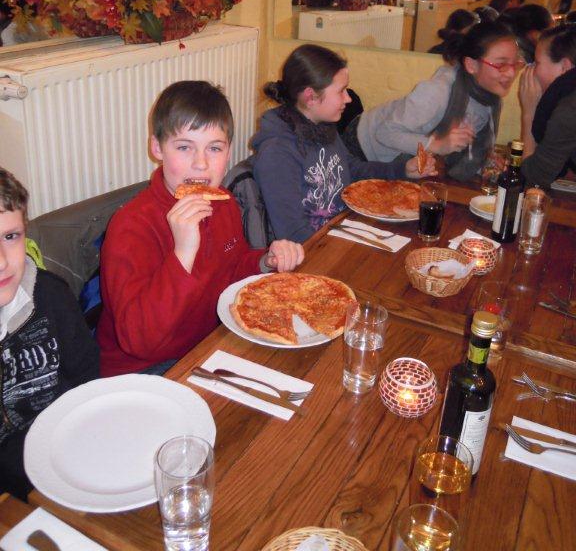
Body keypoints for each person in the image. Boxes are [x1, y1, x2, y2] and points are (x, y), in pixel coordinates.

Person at [97, 81, 304, 377]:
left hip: (205, 346)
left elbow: (230, 270)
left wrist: (264, 261)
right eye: (184, 147)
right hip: (144, 369)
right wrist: (183, 253)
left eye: (214, 148)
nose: (201, 164)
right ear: (157, 148)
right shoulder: (130, 226)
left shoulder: (224, 203)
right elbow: (139, 341)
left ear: (229, 152)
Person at [251, 44, 436, 243]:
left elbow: (352, 169)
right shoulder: (277, 152)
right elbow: (294, 234)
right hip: (316, 248)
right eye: (341, 91)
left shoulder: (321, 126)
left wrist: (402, 170)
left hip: (342, 227)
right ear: (310, 97)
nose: (348, 98)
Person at [0, 168, 99, 499]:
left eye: (10, 237)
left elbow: (87, 379)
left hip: (72, 454)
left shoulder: (51, 294)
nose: (2, 262)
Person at [346, 22, 523, 182]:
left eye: (515, 64)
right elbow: (385, 132)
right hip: (363, 145)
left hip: (405, 156)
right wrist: (438, 145)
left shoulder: (490, 99)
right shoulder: (438, 91)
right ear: (471, 65)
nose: (510, 73)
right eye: (501, 65)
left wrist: (482, 162)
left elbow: (462, 146)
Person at [519, 25, 576, 187]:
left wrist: (529, 112)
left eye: (537, 63)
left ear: (564, 67)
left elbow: (534, 177)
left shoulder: (569, 110)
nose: (532, 70)